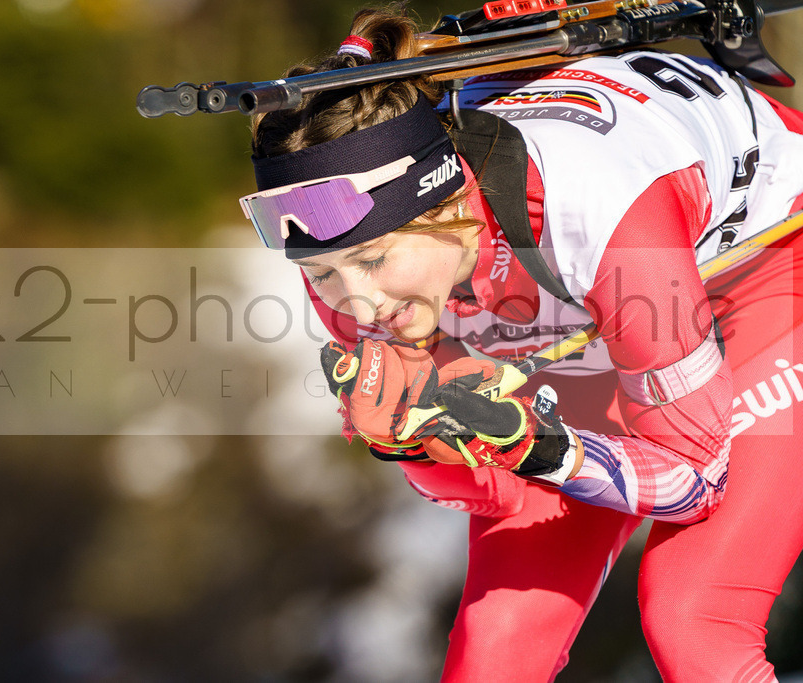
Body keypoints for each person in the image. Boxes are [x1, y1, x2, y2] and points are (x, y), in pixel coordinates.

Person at [237, 5, 803, 681]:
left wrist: (540, 445)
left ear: (440, 204)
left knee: (692, 618)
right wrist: (420, 443)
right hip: (597, 311)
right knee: (497, 642)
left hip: (766, 268)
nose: (357, 304)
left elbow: (698, 478)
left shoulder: (591, 208)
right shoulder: (355, 264)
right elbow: (492, 489)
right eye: (321, 274)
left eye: (375, 261)